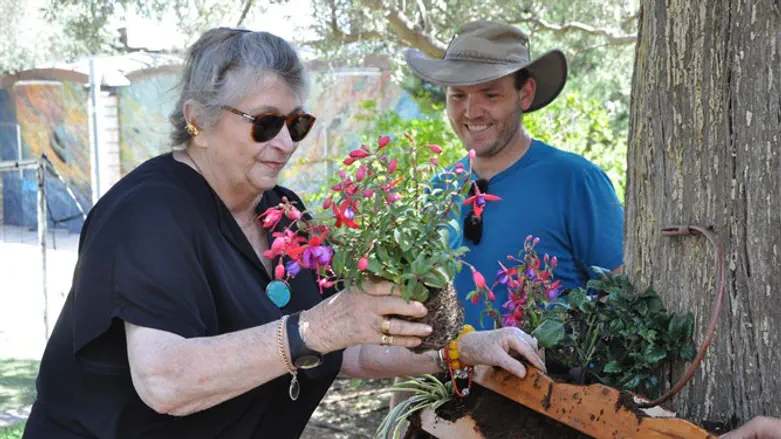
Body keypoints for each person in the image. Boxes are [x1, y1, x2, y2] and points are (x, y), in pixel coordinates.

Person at [22, 27, 545, 439]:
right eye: (265, 122)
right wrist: (317, 327)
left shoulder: (284, 212)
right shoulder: (148, 213)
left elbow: (347, 349)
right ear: (197, 120)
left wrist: (462, 349)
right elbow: (165, 382)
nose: (285, 143)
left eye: (296, 124)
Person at [405, 20, 625, 329]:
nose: (471, 111)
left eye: (490, 95)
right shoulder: (438, 188)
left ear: (525, 93)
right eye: (458, 96)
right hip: (450, 361)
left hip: (550, 362)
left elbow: (623, 296)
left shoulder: (574, 180)